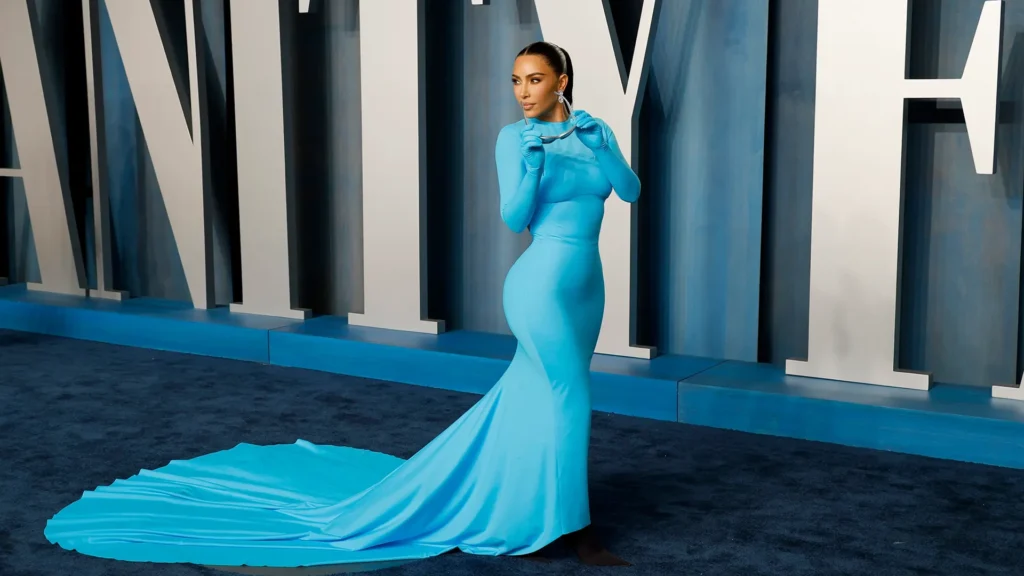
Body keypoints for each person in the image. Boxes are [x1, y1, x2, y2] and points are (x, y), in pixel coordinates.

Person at [42, 41, 640, 571]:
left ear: (561, 81)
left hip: (588, 284)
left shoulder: (595, 130)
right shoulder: (514, 139)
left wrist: (599, 144)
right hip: (538, 284)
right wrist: (534, 165)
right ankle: (580, 533)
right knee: (568, 396)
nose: (522, 92)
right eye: (515, 80)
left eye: (533, 79)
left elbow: (629, 189)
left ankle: (518, 497)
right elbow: (514, 218)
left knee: (538, 394)